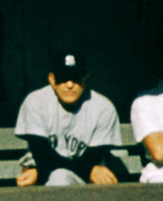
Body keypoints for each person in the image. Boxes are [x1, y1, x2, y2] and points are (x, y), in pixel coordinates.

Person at [14, 51, 127, 186]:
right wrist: (88, 169)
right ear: (52, 79)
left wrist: (40, 171)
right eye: (63, 78)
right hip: (41, 180)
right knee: (60, 176)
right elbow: (43, 155)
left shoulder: (103, 108)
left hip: (87, 183)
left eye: (76, 78)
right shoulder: (36, 102)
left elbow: (92, 158)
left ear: (85, 79)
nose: (69, 85)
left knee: (61, 176)